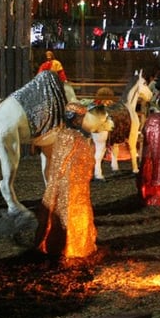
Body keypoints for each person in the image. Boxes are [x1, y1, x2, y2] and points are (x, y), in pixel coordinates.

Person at [35, 102, 111, 258]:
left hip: (60, 186)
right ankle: (74, 246)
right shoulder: (77, 139)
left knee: (58, 215)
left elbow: (57, 163)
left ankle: (56, 244)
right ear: (77, 120)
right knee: (72, 216)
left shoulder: (61, 136)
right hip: (74, 188)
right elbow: (86, 162)